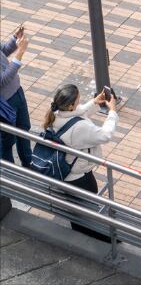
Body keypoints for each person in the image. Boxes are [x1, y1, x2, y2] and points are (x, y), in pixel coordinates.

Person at [40, 84, 119, 242]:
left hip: (65, 174)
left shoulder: (56, 113)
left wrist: (95, 102)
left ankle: (79, 236)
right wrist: (112, 112)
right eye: (78, 100)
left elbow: (78, 113)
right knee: (88, 212)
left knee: (75, 211)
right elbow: (105, 135)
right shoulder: (80, 128)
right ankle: (101, 240)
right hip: (80, 179)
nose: (80, 102)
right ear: (70, 106)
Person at [0, 25, 30, 167]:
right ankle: (10, 172)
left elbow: (3, 50)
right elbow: (2, 80)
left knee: (24, 129)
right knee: (8, 140)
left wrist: (14, 38)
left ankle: (28, 163)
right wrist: (20, 53)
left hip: (17, 91)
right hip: (5, 103)